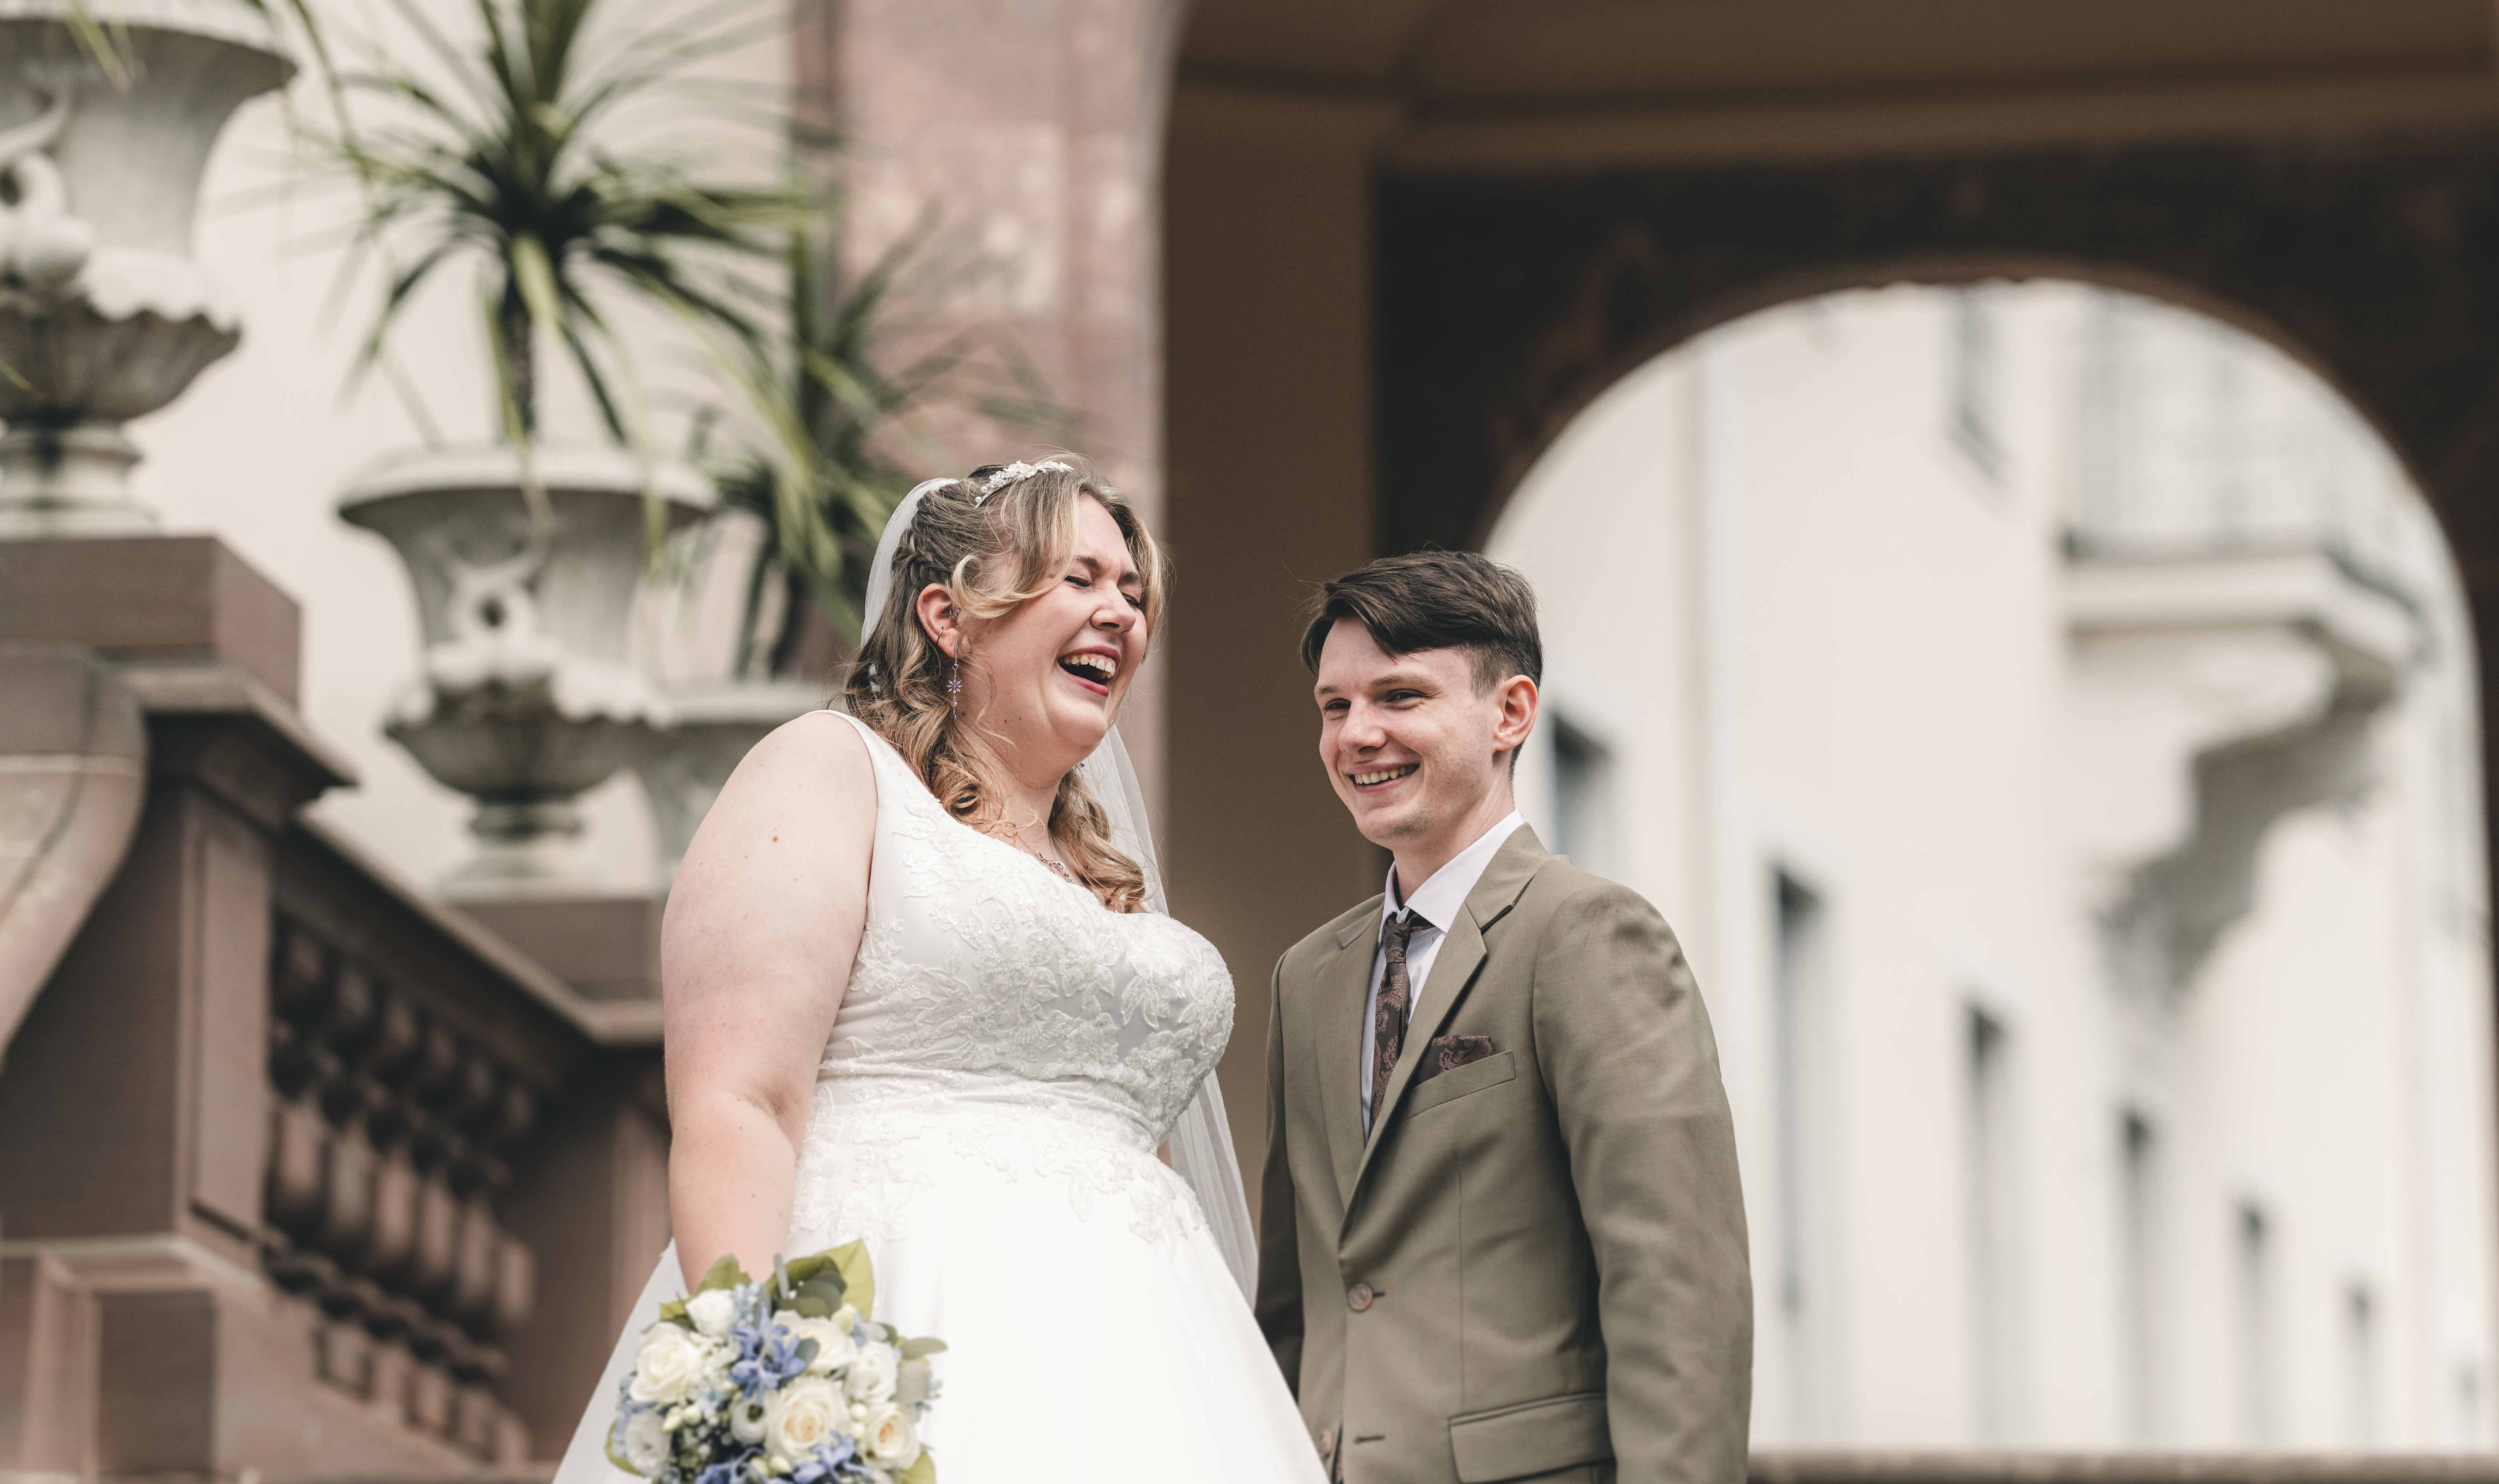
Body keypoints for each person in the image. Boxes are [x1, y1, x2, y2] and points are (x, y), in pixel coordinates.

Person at [553, 456, 1325, 1483]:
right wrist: (751, 1382)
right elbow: (741, 1096)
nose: (1119, 615)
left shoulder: (1110, 884)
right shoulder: (831, 771)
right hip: (904, 1324)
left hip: (1147, 1360)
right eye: (1079, 579)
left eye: (1132, 594)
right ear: (948, 615)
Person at [1256, 550, 1753, 1484]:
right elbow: (1295, 1301)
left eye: (1400, 697)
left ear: (1511, 712)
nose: (1358, 733)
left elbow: (1678, 1296)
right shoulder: (1305, 979)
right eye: (1335, 705)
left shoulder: (1590, 936)